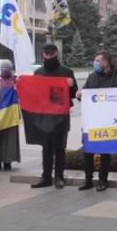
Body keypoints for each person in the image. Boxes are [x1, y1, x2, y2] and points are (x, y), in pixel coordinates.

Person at [31, 43, 78, 189]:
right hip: (44, 116)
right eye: (47, 53)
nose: (49, 55)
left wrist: (71, 86)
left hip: (61, 116)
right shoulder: (38, 72)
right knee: (46, 148)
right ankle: (46, 177)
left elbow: (73, 95)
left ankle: (59, 177)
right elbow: (34, 95)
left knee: (59, 148)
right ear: (43, 54)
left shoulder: (66, 72)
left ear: (56, 53)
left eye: (51, 53)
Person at [77, 50, 117, 191]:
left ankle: (103, 180)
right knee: (88, 151)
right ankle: (88, 179)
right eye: (95, 60)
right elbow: (85, 93)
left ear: (106, 62)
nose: (95, 63)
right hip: (90, 121)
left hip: (107, 121)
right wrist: (80, 94)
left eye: (98, 60)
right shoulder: (92, 77)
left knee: (105, 152)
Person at [0, 61, 21, 172]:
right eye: (3, 68)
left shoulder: (16, 80)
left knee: (10, 139)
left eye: (7, 68)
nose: (5, 70)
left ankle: (8, 161)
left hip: (10, 113)